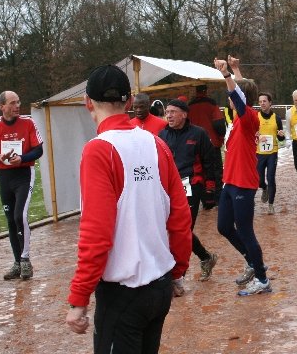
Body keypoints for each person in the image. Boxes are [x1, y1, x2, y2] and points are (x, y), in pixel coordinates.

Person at [65, 65, 192, 352]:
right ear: (129, 100)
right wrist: (177, 270)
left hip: (125, 292)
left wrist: (79, 297)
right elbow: (180, 216)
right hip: (159, 285)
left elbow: (96, 232)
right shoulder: (156, 144)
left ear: (87, 102)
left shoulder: (98, 150)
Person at [213, 55, 272, 296]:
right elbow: (243, 91)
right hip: (230, 182)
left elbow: (239, 97)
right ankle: (252, 261)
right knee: (224, 227)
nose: (228, 100)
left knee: (245, 230)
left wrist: (227, 74)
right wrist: (237, 70)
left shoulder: (248, 117)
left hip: (244, 183)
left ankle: (262, 278)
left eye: (231, 97)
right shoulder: (241, 118)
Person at [0, 91, 44, 280]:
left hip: (24, 174)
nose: (17, 106)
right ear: (2, 107)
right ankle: (17, 262)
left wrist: (22, 158)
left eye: (18, 102)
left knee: (20, 215)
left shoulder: (28, 123)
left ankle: (25, 261)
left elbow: (39, 150)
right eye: (13, 103)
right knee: (10, 220)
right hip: (5, 176)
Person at [158, 99, 220, 281]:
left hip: (192, 185)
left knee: (183, 230)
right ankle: (206, 257)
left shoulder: (199, 134)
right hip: (169, 187)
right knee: (172, 228)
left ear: (184, 114)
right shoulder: (162, 135)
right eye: (167, 112)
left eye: (173, 112)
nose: (168, 115)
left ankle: (178, 277)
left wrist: (210, 187)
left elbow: (211, 161)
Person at [188, 84, 227, 209]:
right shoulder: (212, 104)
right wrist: (221, 138)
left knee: (199, 172)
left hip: (194, 144)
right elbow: (219, 124)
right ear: (206, 91)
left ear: (196, 91)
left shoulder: (189, 106)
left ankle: (204, 200)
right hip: (212, 143)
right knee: (216, 172)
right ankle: (217, 199)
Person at [256, 92, 285, 215]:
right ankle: (264, 188)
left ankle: (271, 205)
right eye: (260, 101)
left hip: (272, 152)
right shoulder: (256, 117)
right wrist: (256, 135)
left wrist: (282, 136)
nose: (262, 103)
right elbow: (251, 133)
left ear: (270, 103)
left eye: (264, 101)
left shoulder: (277, 118)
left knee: (271, 177)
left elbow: (281, 138)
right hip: (259, 153)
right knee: (259, 179)